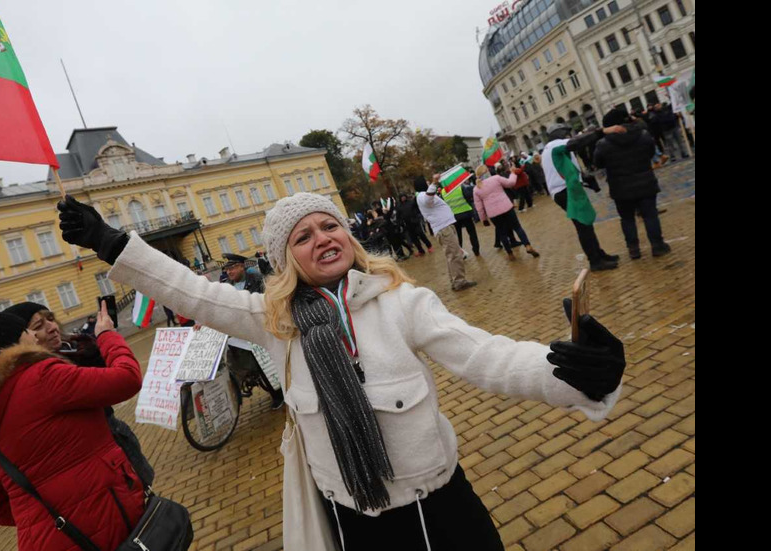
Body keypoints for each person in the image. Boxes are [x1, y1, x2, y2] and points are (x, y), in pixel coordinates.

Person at [57, 192, 625, 550]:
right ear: (285, 262)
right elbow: (192, 291)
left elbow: (485, 356)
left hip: (438, 506)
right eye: (303, 237)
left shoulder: (402, 300)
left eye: (329, 227)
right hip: (353, 515)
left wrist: (570, 373)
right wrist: (112, 242)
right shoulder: (272, 321)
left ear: (348, 238)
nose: (322, 238)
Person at [0, 304, 145, 551]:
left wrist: (40, 514)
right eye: (27, 331)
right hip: (107, 529)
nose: (34, 336)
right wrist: (107, 335)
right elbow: (128, 378)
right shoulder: (41, 376)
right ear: (9, 347)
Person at [541, 123, 622, 271]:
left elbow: (568, 167)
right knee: (583, 227)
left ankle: (598, 254)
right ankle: (595, 261)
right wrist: (601, 131)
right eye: (565, 133)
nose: (568, 136)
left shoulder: (552, 149)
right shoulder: (555, 145)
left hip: (565, 190)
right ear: (557, 133)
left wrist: (585, 178)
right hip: (566, 191)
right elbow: (576, 142)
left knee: (585, 224)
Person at [594, 107, 672, 258]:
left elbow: (598, 163)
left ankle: (634, 250)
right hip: (645, 182)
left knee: (627, 219)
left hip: (620, 188)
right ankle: (658, 246)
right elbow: (650, 152)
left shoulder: (603, 144)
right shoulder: (643, 135)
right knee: (650, 215)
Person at [224, 253, 285, 409]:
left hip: (263, 328)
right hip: (243, 332)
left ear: (242, 266)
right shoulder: (227, 287)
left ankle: (278, 394)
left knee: (267, 362)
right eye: (227, 269)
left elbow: (268, 301)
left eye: (232, 268)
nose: (229, 272)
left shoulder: (257, 280)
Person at [414, 178, 477, 291]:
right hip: (444, 228)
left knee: (452, 255)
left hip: (445, 227)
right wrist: (433, 183)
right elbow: (428, 200)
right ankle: (459, 281)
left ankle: (455, 281)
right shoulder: (422, 195)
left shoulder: (422, 195)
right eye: (427, 182)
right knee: (455, 255)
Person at [473, 165, 541, 259]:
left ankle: (510, 254)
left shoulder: (476, 189)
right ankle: (528, 246)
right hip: (506, 207)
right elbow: (511, 183)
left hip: (493, 213)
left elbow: (479, 207)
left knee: (502, 233)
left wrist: (483, 219)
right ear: (486, 172)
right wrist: (513, 173)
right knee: (517, 227)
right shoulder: (496, 178)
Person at [434, 174, 479, 257]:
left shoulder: (443, 192)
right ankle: (476, 250)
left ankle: (460, 252)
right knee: (472, 232)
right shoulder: (460, 187)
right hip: (466, 213)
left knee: (458, 236)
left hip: (454, 217)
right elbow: (468, 196)